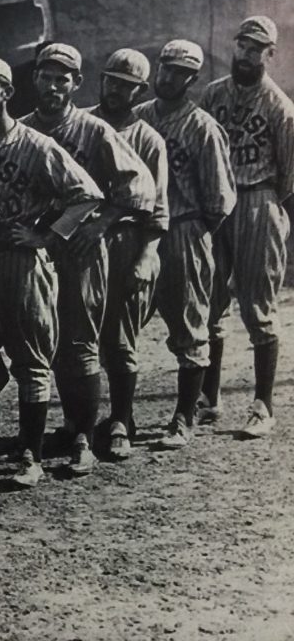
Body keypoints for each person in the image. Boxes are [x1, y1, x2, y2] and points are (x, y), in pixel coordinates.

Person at [0, 57, 103, 488]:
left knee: (32, 361)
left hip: (21, 262)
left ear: (7, 92)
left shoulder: (36, 145)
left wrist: (46, 236)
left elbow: (87, 195)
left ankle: (30, 457)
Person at [20, 44, 156, 476]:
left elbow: (140, 186)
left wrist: (102, 222)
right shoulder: (22, 130)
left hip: (80, 247)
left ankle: (84, 439)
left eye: (62, 79)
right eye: (46, 76)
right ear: (34, 79)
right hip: (37, 247)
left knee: (80, 341)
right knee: (49, 340)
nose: (53, 86)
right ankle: (67, 426)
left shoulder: (94, 130)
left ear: (76, 84)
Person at [135, 41, 237, 449]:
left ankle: (184, 416)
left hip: (183, 228)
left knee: (191, 324)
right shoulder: (139, 117)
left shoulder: (202, 127)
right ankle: (120, 416)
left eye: (179, 72)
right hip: (140, 231)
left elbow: (220, 200)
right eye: (165, 67)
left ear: (192, 79)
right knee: (122, 320)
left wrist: (195, 233)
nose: (168, 77)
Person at [200, 16, 294, 437]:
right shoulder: (213, 93)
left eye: (257, 49)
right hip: (216, 202)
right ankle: (209, 397)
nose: (247, 54)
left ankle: (262, 406)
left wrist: (270, 211)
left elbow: (289, 175)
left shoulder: (280, 107)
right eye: (243, 45)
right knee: (209, 302)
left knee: (258, 308)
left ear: (269, 54)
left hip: (258, 198)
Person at [88, 49, 169, 459]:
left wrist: (145, 257)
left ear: (140, 91)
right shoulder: (81, 124)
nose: (116, 90)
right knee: (77, 337)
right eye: (112, 81)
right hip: (81, 240)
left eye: (127, 86)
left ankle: (121, 419)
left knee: (120, 337)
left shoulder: (148, 138)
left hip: (124, 239)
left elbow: (158, 209)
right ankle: (79, 421)